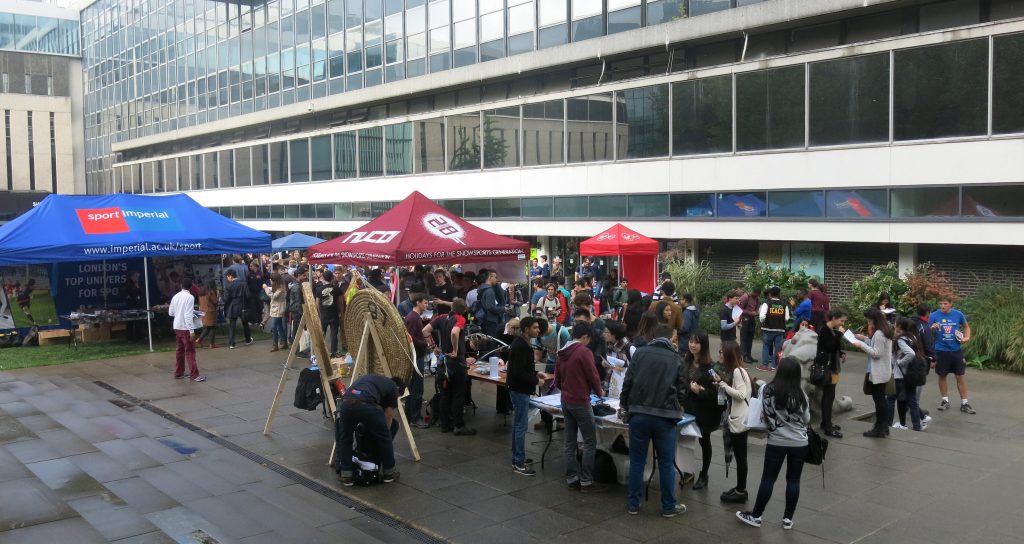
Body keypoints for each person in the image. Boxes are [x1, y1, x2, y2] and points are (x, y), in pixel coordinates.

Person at [620, 324, 687, 517]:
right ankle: (668, 506)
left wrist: (624, 405)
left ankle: (633, 504)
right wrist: (678, 405)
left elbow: (628, 381)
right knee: (666, 463)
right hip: (665, 417)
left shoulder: (640, 353)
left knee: (637, 461)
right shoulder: (676, 358)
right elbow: (682, 389)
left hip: (638, 414)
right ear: (670, 338)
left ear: (653, 336)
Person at [736, 357, 810, 531]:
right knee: (793, 480)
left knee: (768, 478)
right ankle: (788, 519)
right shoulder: (801, 395)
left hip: (776, 441)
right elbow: (807, 419)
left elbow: (762, 411)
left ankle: (756, 516)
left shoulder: (767, 389)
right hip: (799, 443)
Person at [555, 322, 606, 493]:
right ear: (585, 337)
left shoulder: (562, 352)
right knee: (590, 442)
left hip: (565, 400)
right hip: (580, 401)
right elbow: (593, 375)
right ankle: (586, 481)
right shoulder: (584, 352)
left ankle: (572, 478)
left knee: (569, 442)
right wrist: (599, 392)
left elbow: (557, 380)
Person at [335, 374, 404, 486]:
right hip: (365, 403)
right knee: (385, 437)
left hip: (346, 403)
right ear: (398, 389)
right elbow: (389, 415)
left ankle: (346, 475)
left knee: (345, 439)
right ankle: (389, 473)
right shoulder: (393, 387)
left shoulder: (375, 380)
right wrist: (384, 432)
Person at [431, 299, 477, 436]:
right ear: (464, 310)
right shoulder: (460, 319)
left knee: (445, 394)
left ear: (452, 307)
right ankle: (458, 425)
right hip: (456, 363)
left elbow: (425, 330)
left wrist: (433, 347)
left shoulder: (441, 317)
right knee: (458, 394)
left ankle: (445, 425)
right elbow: (454, 332)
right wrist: (455, 350)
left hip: (443, 363)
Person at [507, 316, 547, 476]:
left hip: (519, 388)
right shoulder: (521, 346)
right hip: (519, 390)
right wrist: (536, 380)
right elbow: (518, 372)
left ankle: (517, 458)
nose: (538, 330)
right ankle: (518, 463)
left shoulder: (522, 343)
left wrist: (536, 373)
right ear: (525, 329)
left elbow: (523, 367)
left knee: (518, 425)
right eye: (535, 328)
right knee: (520, 426)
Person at [715, 340, 752, 504]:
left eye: (721, 352)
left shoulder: (737, 371)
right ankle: (739, 487)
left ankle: (740, 491)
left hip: (739, 420)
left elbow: (741, 395)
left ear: (729, 354)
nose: (719, 354)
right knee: (740, 456)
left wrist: (722, 384)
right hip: (742, 418)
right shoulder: (740, 370)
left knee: (741, 457)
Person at [684, 329, 721, 491]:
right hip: (685, 410)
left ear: (703, 345)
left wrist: (700, 391)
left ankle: (704, 474)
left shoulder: (711, 368)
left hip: (702, 412)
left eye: (696, 342)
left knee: (704, 442)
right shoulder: (685, 361)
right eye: (691, 341)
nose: (692, 345)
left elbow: (716, 394)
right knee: (684, 441)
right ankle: (686, 471)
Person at [928, 296, 974, 414]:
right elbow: (927, 332)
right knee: (942, 376)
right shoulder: (933, 316)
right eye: (940, 303)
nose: (942, 306)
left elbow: (966, 326)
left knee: (960, 376)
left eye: (945, 304)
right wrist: (932, 328)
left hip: (956, 350)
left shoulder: (958, 314)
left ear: (951, 303)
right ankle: (945, 401)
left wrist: (967, 337)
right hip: (940, 350)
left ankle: (964, 403)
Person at [855, 307, 894, 438]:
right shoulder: (884, 331)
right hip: (883, 371)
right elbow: (876, 346)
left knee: (879, 401)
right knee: (880, 399)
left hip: (879, 372)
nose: (868, 323)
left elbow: (876, 353)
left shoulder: (879, 334)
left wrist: (862, 345)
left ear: (874, 320)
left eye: (869, 321)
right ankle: (883, 427)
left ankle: (880, 428)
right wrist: (864, 339)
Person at [890, 317, 926, 431]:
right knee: (912, 400)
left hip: (901, 374)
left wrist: (900, 362)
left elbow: (910, 354)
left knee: (890, 399)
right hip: (911, 374)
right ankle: (917, 426)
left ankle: (890, 424)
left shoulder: (901, 340)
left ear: (900, 327)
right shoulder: (912, 337)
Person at [815, 309, 847, 438]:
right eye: (841, 321)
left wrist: (841, 353)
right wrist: (839, 335)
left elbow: (833, 347)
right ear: (833, 318)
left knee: (829, 396)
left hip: (832, 367)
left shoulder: (830, 330)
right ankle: (828, 427)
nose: (842, 324)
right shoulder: (824, 330)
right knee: (829, 396)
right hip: (828, 368)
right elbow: (828, 346)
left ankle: (826, 422)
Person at [403, 293, 432, 429]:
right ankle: (415, 418)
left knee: (412, 387)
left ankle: (410, 417)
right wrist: (424, 344)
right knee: (417, 389)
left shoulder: (414, 317)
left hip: (416, 355)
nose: (426, 305)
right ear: (418, 302)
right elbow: (409, 338)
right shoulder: (413, 318)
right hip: (416, 356)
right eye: (425, 302)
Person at [168, 279, 205, 382]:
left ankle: (178, 372)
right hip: (185, 327)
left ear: (181, 286)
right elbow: (188, 315)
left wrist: (179, 313)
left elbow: (171, 313)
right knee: (190, 351)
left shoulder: (175, 296)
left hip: (177, 326)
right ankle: (194, 375)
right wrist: (191, 331)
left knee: (179, 350)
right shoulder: (190, 297)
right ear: (191, 286)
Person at [757, 287, 789, 371]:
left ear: (770, 294)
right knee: (778, 348)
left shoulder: (766, 303)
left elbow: (762, 316)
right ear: (779, 294)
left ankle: (765, 366)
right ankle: (774, 366)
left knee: (766, 347)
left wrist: (763, 321)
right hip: (780, 329)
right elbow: (787, 318)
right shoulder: (784, 304)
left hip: (768, 329)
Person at [222, 270, 253, 349]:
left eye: (227, 277)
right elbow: (248, 295)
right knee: (245, 324)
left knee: (232, 326)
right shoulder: (244, 283)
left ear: (230, 276)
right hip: (243, 306)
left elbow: (226, 299)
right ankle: (248, 339)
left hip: (232, 307)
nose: (227, 279)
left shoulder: (228, 286)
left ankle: (232, 344)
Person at [316, 270, 343, 357]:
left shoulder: (319, 289)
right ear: (332, 278)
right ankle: (333, 352)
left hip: (324, 314)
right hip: (334, 314)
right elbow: (340, 303)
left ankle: (321, 352)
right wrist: (341, 312)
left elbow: (317, 303)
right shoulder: (337, 289)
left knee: (322, 333)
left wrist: (320, 313)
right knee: (334, 334)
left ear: (323, 278)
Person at [264, 273, 288, 352]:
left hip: (278, 309)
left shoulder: (281, 287)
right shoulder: (279, 285)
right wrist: (269, 288)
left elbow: (273, 296)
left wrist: (266, 288)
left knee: (274, 327)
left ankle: (275, 344)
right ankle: (284, 342)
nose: (270, 281)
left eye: (271, 280)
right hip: (277, 308)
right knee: (279, 326)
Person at [737, 287, 762, 363]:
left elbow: (756, 308)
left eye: (758, 295)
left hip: (752, 319)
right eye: (756, 294)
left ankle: (749, 355)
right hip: (744, 319)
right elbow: (739, 309)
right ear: (753, 292)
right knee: (744, 338)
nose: (757, 296)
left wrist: (756, 312)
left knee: (750, 338)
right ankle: (743, 356)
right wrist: (750, 313)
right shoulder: (745, 297)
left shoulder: (757, 299)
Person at [477, 271, 504, 337]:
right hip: (490, 320)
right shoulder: (489, 291)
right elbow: (490, 307)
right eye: (495, 277)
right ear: (490, 277)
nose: (496, 279)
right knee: (491, 340)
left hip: (484, 319)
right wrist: (503, 309)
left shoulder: (483, 289)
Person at [195, 279, 219, 349]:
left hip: (203, 312)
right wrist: (218, 295)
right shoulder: (211, 292)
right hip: (210, 312)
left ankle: (199, 340)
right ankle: (211, 344)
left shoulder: (201, 293)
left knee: (207, 328)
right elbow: (215, 302)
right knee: (212, 328)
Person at [287, 266, 307, 345]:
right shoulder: (297, 287)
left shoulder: (294, 284)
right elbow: (298, 301)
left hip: (294, 309)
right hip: (297, 310)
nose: (305, 277)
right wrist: (301, 312)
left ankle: (294, 343)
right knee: (298, 329)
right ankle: (297, 347)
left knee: (295, 328)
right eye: (304, 275)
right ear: (299, 275)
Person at [123, 271, 144, 342]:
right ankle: (130, 338)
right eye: (136, 276)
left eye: (138, 277)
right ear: (131, 277)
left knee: (139, 322)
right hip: (131, 306)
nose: (137, 278)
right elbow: (126, 293)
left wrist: (137, 286)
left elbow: (142, 293)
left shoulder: (140, 283)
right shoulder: (128, 284)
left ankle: (139, 337)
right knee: (130, 322)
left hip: (138, 305)